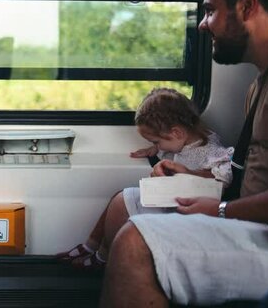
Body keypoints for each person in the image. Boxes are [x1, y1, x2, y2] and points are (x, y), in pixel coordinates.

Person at [100, 0, 268, 306]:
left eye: (210, 10)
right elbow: (249, 174)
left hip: (267, 235)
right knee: (130, 203)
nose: (202, 23)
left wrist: (222, 210)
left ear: (247, 6)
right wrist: (195, 178)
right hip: (248, 217)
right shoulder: (259, 84)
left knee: (136, 243)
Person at [55, 87, 232, 270]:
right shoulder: (183, 140)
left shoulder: (210, 150)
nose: (157, 147)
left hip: (187, 210)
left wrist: (187, 173)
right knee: (119, 196)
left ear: (177, 133)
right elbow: (170, 146)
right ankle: (89, 246)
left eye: (156, 142)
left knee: (121, 201)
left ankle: (102, 259)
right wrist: (154, 150)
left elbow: (222, 179)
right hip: (173, 198)